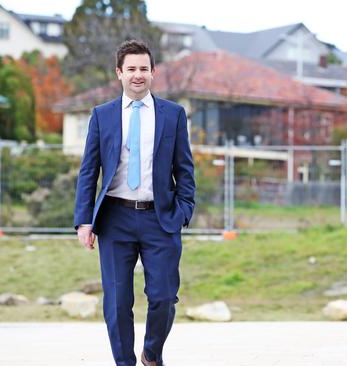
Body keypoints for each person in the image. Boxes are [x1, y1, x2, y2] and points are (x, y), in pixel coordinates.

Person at [74, 39, 195, 366]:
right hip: (115, 218)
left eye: (144, 68)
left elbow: (185, 168)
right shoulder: (102, 116)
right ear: (119, 73)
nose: (137, 75)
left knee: (164, 297)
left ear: (153, 72)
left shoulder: (173, 115)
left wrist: (185, 210)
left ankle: (151, 354)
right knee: (116, 303)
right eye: (131, 69)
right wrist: (84, 221)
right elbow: (89, 170)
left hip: (161, 218)